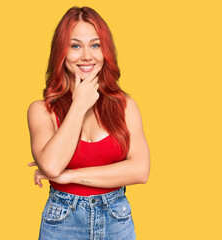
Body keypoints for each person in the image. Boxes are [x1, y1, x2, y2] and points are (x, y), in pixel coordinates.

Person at [27, 6, 150, 240]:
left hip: (117, 219)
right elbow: (52, 166)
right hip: (62, 222)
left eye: (95, 45)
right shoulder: (41, 111)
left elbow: (140, 171)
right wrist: (79, 104)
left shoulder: (125, 106)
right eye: (75, 46)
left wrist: (69, 176)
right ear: (61, 53)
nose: (86, 56)